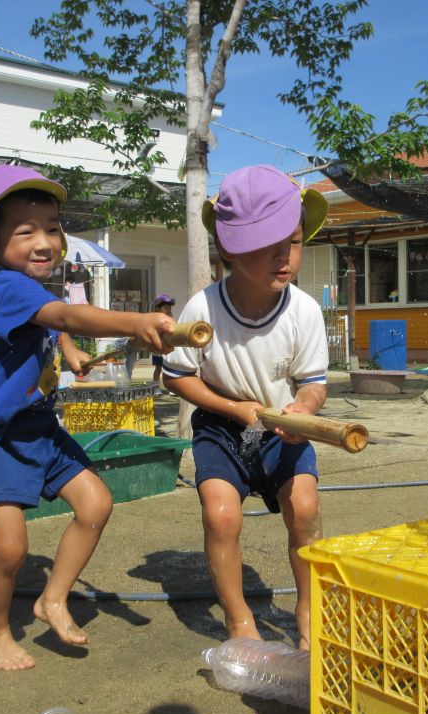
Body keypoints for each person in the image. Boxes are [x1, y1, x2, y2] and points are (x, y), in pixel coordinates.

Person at [0, 164, 175, 671]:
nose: (45, 241)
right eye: (25, 231)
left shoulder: (31, 292)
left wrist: (69, 350)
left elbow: (55, 325)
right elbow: (66, 316)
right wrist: (134, 320)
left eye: (52, 227)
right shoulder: (6, 288)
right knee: (8, 550)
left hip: (38, 430)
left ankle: (53, 598)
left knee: (95, 503)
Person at [161, 164, 329, 650]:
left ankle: (307, 608)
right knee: (221, 516)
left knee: (304, 506)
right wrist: (235, 410)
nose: (285, 258)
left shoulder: (304, 311)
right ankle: (240, 623)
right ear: (231, 250)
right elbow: (176, 377)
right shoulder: (203, 309)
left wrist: (303, 408)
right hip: (223, 427)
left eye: (293, 243)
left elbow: (314, 383)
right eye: (268, 247)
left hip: (282, 426)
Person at [150, 294, 175, 382]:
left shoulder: (170, 317)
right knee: (158, 368)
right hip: (158, 347)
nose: (168, 310)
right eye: (165, 308)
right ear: (157, 308)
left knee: (170, 368)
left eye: (169, 308)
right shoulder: (154, 317)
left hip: (168, 346)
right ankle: (155, 386)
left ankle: (172, 387)